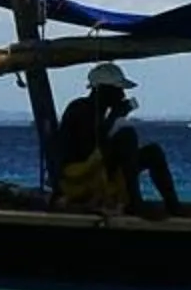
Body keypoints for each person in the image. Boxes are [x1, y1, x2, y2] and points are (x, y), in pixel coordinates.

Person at [54, 61, 180, 215]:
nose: (122, 95)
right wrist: (115, 116)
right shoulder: (81, 108)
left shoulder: (100, 112)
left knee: (153, 152)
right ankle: (135, 202)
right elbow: (91, 148)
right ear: (103, 90)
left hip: (94, 168)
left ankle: (173, 206)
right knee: (127, 136)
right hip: (78, 176)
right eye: (118, 90)